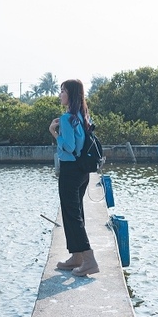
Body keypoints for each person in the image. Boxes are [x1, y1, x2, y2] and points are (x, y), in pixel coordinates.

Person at [48, 79, 99, 277]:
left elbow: (68, 146)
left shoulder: (67, 118)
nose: (60, 95)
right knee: (75, 212)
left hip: (70, 170)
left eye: (62, 91)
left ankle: (89, 259)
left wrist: (54, 132)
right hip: (82, 171)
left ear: (71, 94)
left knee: (72, 215)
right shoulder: (83, 115)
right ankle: (77, 256)